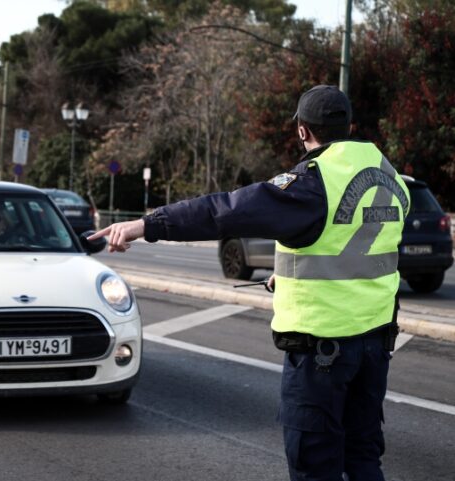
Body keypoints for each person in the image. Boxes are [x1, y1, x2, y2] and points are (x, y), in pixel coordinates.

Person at [90, 85, 409, 481]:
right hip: (374, 348)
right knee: (363, 459)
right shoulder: (389, 174)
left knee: (315, 466)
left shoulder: (312, 184)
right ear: (349, 127)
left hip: (323, 355)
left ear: (302, 131)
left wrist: (145, 225)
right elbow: (362, 248)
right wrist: (291, 273)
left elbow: (223, 212)